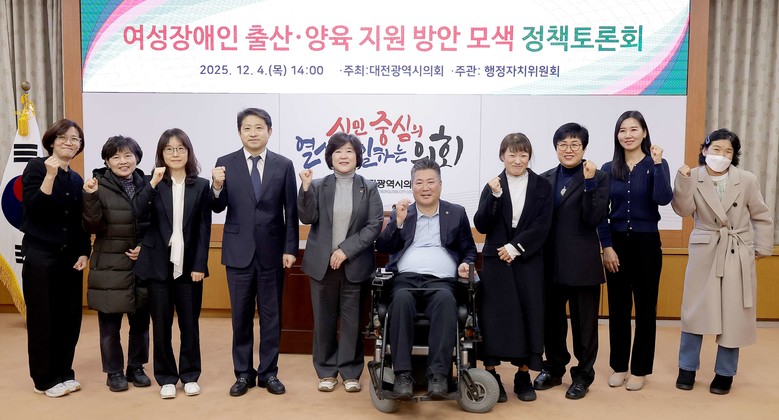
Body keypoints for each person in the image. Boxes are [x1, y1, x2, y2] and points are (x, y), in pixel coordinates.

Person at [671, 129, 773, 395]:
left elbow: (761, 215)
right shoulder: (692, 175)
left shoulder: (746, 179)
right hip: (705, 248)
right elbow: (683, 210)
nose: (722, 155)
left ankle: (725, 373)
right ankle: (687, 368)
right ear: (705, 150)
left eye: (728, 151)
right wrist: (682, 181)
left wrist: (760, 248)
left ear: (734, 155)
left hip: (736, 249)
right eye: (716, 149)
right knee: (694, 310)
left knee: (733, 313)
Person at [211, 108, 299, 397]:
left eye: (259, 127)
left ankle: (269, 373)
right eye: (247, 128)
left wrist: (290, 248)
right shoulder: (225, 163)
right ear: (239, 132)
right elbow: (218, 206)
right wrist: (216, 186)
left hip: (272, 253)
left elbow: (290, 210)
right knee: (241, 317)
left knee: (272, 317)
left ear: (269, 131)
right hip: (238, 253)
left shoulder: (283, 165)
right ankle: (243, 374)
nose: (253, 133)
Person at [375, 158, 477, 400]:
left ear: (440, 184)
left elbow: (469, 251)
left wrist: (465, 264)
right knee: (400, 302)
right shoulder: (403, 213)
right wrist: (397, 222)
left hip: (442, 282)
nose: (425, 187)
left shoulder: (456, 213)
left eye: (430, 182)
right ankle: (402, 376)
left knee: (445, 301)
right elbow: (383, 246)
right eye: (419, 182)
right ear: (412, 186)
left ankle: (438, 375)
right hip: (405, 280)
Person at [298, 132, 383, 393]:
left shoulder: (368, 187)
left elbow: (374, 225)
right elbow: (306, 217)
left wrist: (345, 250)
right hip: (322, 266)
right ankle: (326, 371)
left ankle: (350, 372)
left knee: (352, 322)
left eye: (349, 151)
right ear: (330, 157)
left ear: (357, 157)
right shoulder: (318, 185)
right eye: (338, 151)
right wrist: (305, 188)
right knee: (324, 321)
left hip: (354, 265)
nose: (343, 156)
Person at [473, 133, 553, 403]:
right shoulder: (493, 185)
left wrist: (516, 247)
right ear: (502, 156)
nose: (518, 160)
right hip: (496, 261)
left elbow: (543, 224)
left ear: (529, 157)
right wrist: (495, 197)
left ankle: (523, 376)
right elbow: (482, 224)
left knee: (529, 314)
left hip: (528, 259)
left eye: (523, 155)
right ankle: (492, 374)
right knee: (493, 317)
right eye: (512, 155)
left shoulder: (542, 186)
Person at [134, 129, 212, 399]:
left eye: (180, 149)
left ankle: (190, 375)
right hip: (158, 265)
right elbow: (137, 212)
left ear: (188, 152)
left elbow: (204, 228)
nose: (175, 154)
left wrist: (200, 264)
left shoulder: (201, 185)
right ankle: (166, 377)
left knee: (190, 325)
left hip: (190, 267)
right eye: (169, 149)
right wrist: (152, 184)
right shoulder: (152, 181)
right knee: (161, 325)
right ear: (161, 154)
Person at [534, 122, 609, 400]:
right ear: (556, 148)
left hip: (582, 265)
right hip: (549, 264)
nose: (568, 149)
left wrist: (588, 183)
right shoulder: (544, 178)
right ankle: (554, 369)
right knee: (551, 323)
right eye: (563, 144)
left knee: (584, 326)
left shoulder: (599, 177)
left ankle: (583, 376)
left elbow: (593, 217)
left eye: (575, 144)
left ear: (584, 148)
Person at [598, 111, 673, 391]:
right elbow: (601, 213)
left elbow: (663, 198)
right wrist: (607, 247)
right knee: (618, 309)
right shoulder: (608, 168)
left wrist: (658, 164)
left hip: (647, 244)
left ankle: (640, 369)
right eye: (622, 130)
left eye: (633, 129)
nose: (627, 135)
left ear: (644, 132)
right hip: (616, 244)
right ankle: (619, 367)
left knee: (645, 308)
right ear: (617, 135)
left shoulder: (656, 164)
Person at [83, 136, 159, 392]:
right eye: (115, 157)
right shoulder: (97, 185)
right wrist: (90, 197)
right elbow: (92, 226)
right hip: (109, 265)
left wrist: (145, 246)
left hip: (141, 265)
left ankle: (136, 367)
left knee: (141, 323)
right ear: (107, 161)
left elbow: (158, 223)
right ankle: (114, 372)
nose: (122, 161)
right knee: (109, 325)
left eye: (128, 155)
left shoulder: (149, 183)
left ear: (137, 158)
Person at [21, 119, 91, 398]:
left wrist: (84, 251)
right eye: (63, 137)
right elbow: (34, 208)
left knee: (69, 318)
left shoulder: (76, 179)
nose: (69, 143)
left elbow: (79, 222)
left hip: (70, 259)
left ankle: (64, 372)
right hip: (41, 257)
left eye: (75, 139)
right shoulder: (36, 167)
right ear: (51, 141)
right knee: (42, 319)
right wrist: (49, 176)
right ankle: (44, 379)